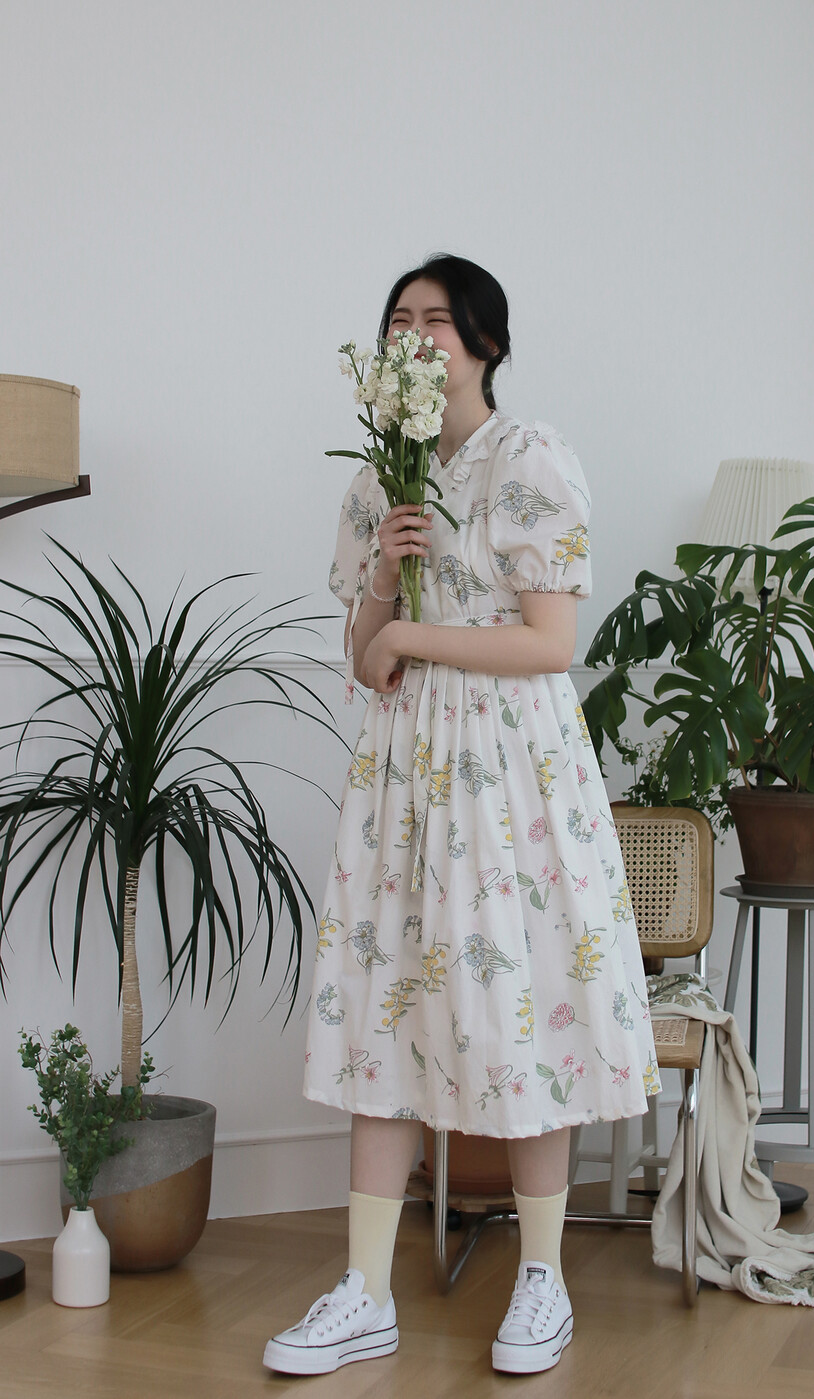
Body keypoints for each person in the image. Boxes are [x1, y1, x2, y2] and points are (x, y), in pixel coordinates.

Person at [263, 255, 660, 1378]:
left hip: (513, 770)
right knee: (384, 1003)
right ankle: (362, 1290)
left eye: (437, 319)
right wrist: (387, 584)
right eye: (400, 319)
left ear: (486, 341)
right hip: (406, 771)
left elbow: (551, 641)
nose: (416, 335)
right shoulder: (375, 478)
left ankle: (542, 1280)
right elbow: (366, 660)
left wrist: (409, 633)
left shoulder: (526, 455)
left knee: (529, 1001)